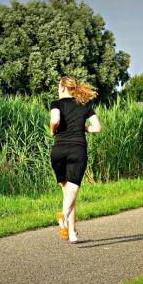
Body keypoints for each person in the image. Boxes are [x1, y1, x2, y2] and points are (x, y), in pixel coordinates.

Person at [50, 76, 101, 243]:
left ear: (64, 87)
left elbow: (55, 120)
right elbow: (97, 128)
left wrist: (53, 130)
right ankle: (63, 217)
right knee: (72, 192)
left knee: (68, 194)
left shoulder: (56, 104)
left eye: (59, 86)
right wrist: (83, 128)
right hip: (77, 150)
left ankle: (72, 233)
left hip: (59, 150)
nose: (58, 89)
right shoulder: (85, 105)